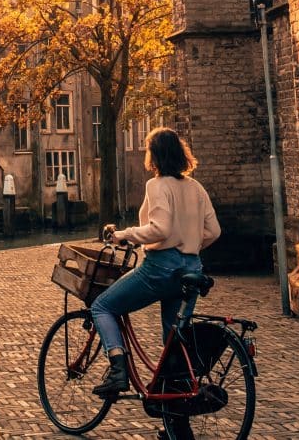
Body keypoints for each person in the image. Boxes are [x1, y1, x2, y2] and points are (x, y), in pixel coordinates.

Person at [90, 126, 221, 400]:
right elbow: (214, 231)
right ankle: (176, 417)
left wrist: (125, 235)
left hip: (162, 268)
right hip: (192, 270)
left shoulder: (157, 185)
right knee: (173, 347)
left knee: (102, 305)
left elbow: (159, 229)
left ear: (155, 155)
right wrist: (191, 243)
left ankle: (118, 369)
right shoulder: (196, 187)